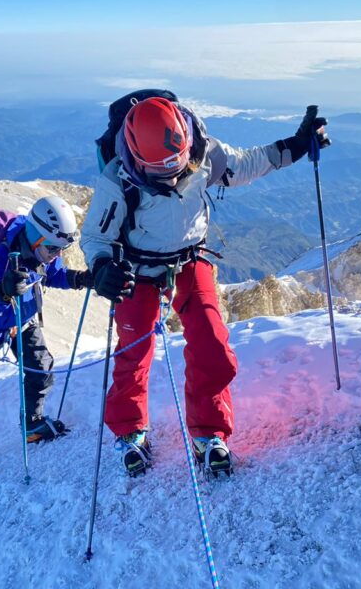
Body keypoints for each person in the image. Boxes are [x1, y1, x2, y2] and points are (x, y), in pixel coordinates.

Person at [81, 96, 329, 477]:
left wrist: (296, 144)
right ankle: (129, 430)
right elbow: (96, 237)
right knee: (134, 350)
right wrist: (101, 268)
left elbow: (249, 163)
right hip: (137, 268)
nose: (173, 178)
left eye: (178, 169)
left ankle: (209, 431)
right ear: (134, 154)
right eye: (160, 174)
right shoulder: (117, 179)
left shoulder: (204, 153)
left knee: (211, 341)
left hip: (187, 259)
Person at [0, 195, 92, 469]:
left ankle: (33, 424)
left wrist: (80, 278)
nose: (57, 254)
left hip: (21, 318)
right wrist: (1, 291)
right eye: (53, 248)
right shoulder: (1, 257)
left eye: (59, 249)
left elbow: (53, 274)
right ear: (37, 237)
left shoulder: (41, 249)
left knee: (40, 366)